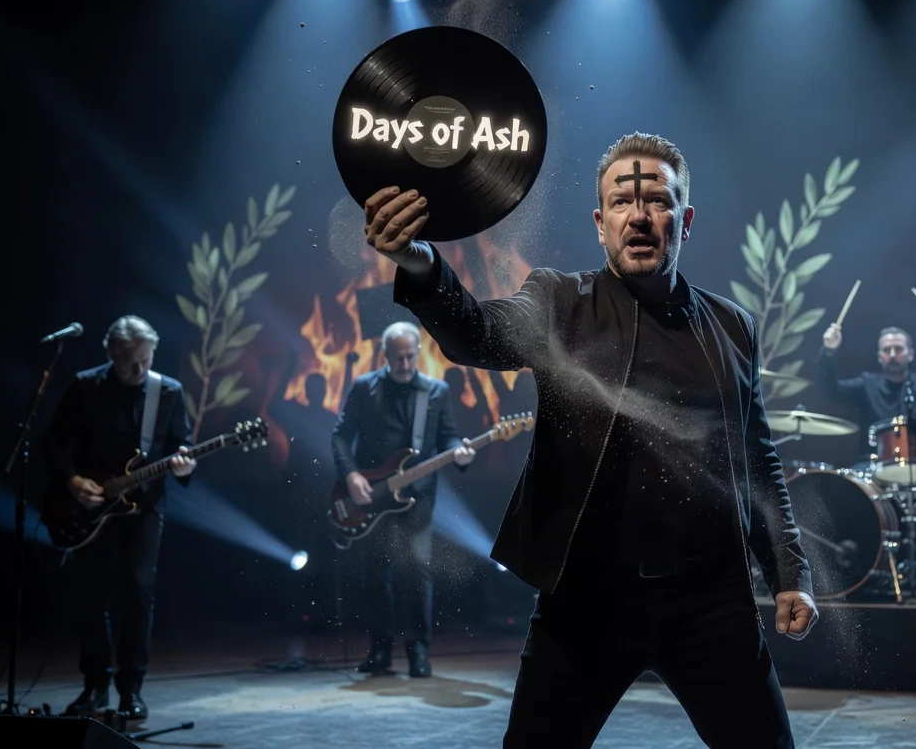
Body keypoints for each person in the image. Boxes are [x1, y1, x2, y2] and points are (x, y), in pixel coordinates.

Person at [363, 132, 816, 748]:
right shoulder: (557, 301)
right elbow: (476, 334)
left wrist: (790, 571)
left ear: (683, 220)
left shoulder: (734, 328)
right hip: (586, 603)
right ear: (601, 224)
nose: (639, 215)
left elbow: (759, 460)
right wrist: (419, 261)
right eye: (623, 205)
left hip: (711, 604)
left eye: (656, 200)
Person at [41, 316, 195, 720]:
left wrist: (183, 465)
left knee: (138, 593)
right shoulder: (86, 386)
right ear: (111, 355)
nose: (140, 371)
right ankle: (95, 686)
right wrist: (74, 481)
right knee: (91, 596)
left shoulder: (169, 392)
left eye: (146, 361)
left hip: (142, 509)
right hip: (88, 509)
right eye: (130, 363)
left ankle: (131, 690)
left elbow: (184, 443)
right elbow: (53, 441)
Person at [331, 321, 476, 677]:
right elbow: (340, 436)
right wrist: (351, 476)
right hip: (372, 497)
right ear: (385, 356)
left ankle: (418, 653)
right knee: (375, 575)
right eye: (399, 357)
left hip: (417, 498)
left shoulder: (436, 391)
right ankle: (380, 651)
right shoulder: (365, 388)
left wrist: (461, 452)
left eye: (411, 356)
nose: (406, 363)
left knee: (417, 572)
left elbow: (450, 438)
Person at [817, 322, 916, 574]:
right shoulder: (867, 385)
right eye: (887, 350)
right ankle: (861, 568)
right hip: (874, 462)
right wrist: (829, 351)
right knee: (850, 485)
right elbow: (830, 389)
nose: (892, 354)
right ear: (879, 356)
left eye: (898, 349)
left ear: (910, 353)